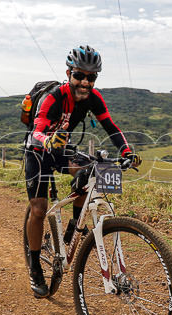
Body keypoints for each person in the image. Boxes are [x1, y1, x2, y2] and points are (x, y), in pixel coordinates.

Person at [24, 45, 142, 298]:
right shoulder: (53, 96)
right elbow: (38, 127)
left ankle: (73, 229)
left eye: (92, 77)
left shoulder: (93, 98)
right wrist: (45, 141)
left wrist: (126, 152)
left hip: (60, 149)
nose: (85, 82)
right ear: (69, 73)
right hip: (37, 150)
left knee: (91, 172)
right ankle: (34, 267)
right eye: (80, 75)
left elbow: (111, 126)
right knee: (38, 209)